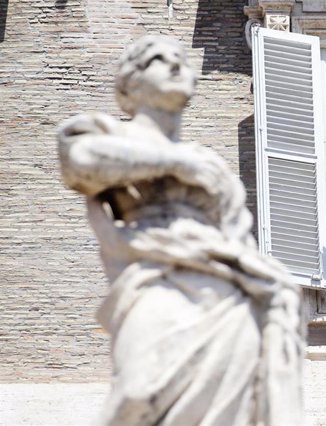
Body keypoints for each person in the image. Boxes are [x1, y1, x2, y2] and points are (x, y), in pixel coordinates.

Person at [57, 35, 304, 426]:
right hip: (155, 280)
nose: (175, 67)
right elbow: (80, 161)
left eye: (182, 61)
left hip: (228, 295)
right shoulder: (107, 134)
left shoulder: (211, 164)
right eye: (159, 60)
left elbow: (237, 235)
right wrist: (172, 162)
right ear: (130, 84)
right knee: (138, 393)